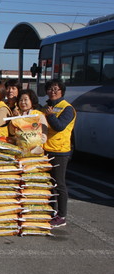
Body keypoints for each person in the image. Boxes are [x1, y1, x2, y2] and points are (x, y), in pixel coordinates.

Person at [43, 79, 76, 228]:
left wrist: (50, 115)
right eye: (50, 89)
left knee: (59, 183)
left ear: (62, 91)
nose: (53, 91)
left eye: (56, 89)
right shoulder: (47, 106)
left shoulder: (67, 108)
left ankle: (62, 216)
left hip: (60, 151)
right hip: (46, 148)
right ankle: (51, 211)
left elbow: (59, 127)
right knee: (49, 183)